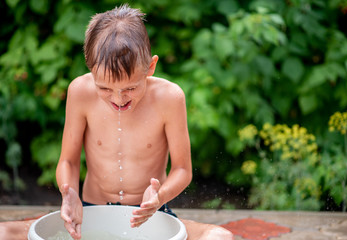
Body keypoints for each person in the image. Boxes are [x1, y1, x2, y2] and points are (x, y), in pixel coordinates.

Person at [56, 4, 233, 240]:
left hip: (149, 213)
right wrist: (69, 194)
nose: (118, 99)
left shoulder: (169, 98)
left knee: (221, 237)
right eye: (105, 88)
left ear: (150, 67)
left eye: (130, 88)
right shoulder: (80, 91)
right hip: (90, 211)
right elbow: (67, 160)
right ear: (91, 70)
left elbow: (182, 170)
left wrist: (159, 198)